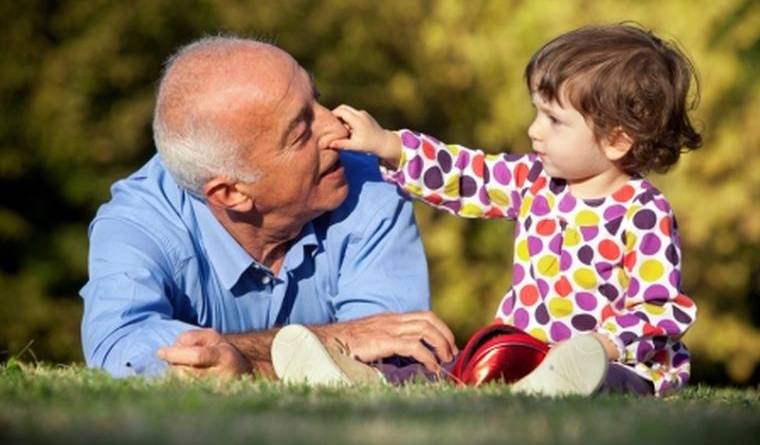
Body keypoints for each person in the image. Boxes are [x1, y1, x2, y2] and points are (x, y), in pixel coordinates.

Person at [299, 23, 701, 396]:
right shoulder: (534, 180)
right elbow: (466, 175)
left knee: (608, 380)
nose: (534, 130)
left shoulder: (644, 211)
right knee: (454, 368)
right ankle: (360, 374)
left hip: (620, 364)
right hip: (521, 353)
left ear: (616, 140)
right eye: (536, 112)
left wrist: (603, 345)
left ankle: (568, 380)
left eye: (554, 120)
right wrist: (390, 146)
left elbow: (658, 308)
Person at [79, 36, 458, 380]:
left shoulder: (371, 185)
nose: (339, 128)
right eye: (300, 132)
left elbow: (394, 359)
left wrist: (243, 361)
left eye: (317, 98)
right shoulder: (139, 222)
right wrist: (328, 342)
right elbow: (121, 351)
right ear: (231, 193)